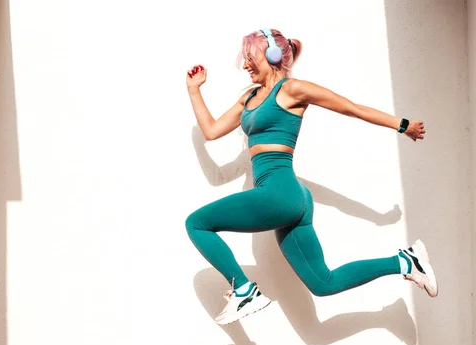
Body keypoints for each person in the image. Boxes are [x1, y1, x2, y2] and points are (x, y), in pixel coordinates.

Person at [185, 28, 438, 326]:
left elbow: (351, 108)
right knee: (323, 283)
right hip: (291, 198)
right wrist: (194, 90)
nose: (244, 65)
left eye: (250, 57)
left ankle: (244, 290)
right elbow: (212, 131)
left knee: (197, 223)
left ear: (272, 55)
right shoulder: (249, 98)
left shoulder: (293, 89)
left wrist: (403, 125)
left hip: (280, 192)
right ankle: (406, 261)